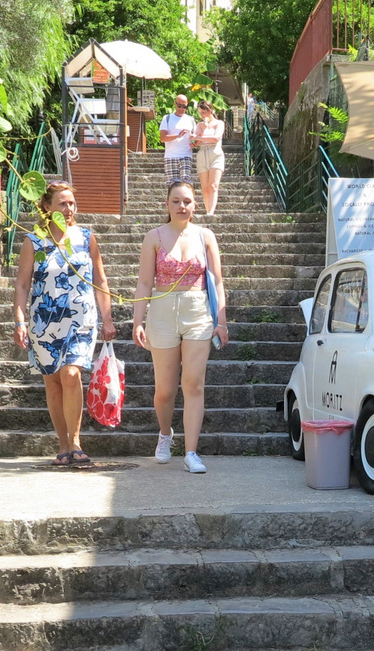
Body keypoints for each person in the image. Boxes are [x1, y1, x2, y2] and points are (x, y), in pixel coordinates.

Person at [12, 181, 114, 467]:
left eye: (71, 203)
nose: (69, 209)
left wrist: (107, 318)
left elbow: (100, 279)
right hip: (44, 320)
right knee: (53, 382)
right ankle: (63, 444)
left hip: (81, 318)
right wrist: (20, 321)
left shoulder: (85, 237)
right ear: (47, 207)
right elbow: (22, 284)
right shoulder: (34, 241)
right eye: (62, 203)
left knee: (71, 374)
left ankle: (77, 441)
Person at [131, 181, 230, 474]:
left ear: (195, 205)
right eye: (176, 201)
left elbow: (218, 280)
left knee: (194, 384)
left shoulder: (206, 236)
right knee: (164, 390)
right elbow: (145, 282)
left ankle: (191, 451)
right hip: (161, 313)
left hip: (198, 312)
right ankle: (165, 434)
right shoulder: (154, 237)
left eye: (187, 201)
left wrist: (221, 322)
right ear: (167, 204)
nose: (182, 206)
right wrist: (138, 320)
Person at [192, 99, 226, 216]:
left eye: (203, 113)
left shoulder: (219, 123)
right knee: (205, 187)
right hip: (202, 154)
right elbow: (196, 142)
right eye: (200, 113)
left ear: (210, 111)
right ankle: (207, 210)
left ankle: (211, 212)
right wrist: (202, 129)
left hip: (215, 153)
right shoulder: (200, 125)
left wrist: (199, 137)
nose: (202, 115)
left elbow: (216, 138)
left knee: (213, 185)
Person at [159, 94, 196, 187]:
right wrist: (178, 135)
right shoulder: (167, 118)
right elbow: (163, 138)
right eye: (179, 106)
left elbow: (195, 137)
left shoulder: (190, 120)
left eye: (184, 106)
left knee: (185, 183)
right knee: (172, 186)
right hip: (171, 155)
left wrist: (194, 143)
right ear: (175, 104)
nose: (182, 108)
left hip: (186, 155)